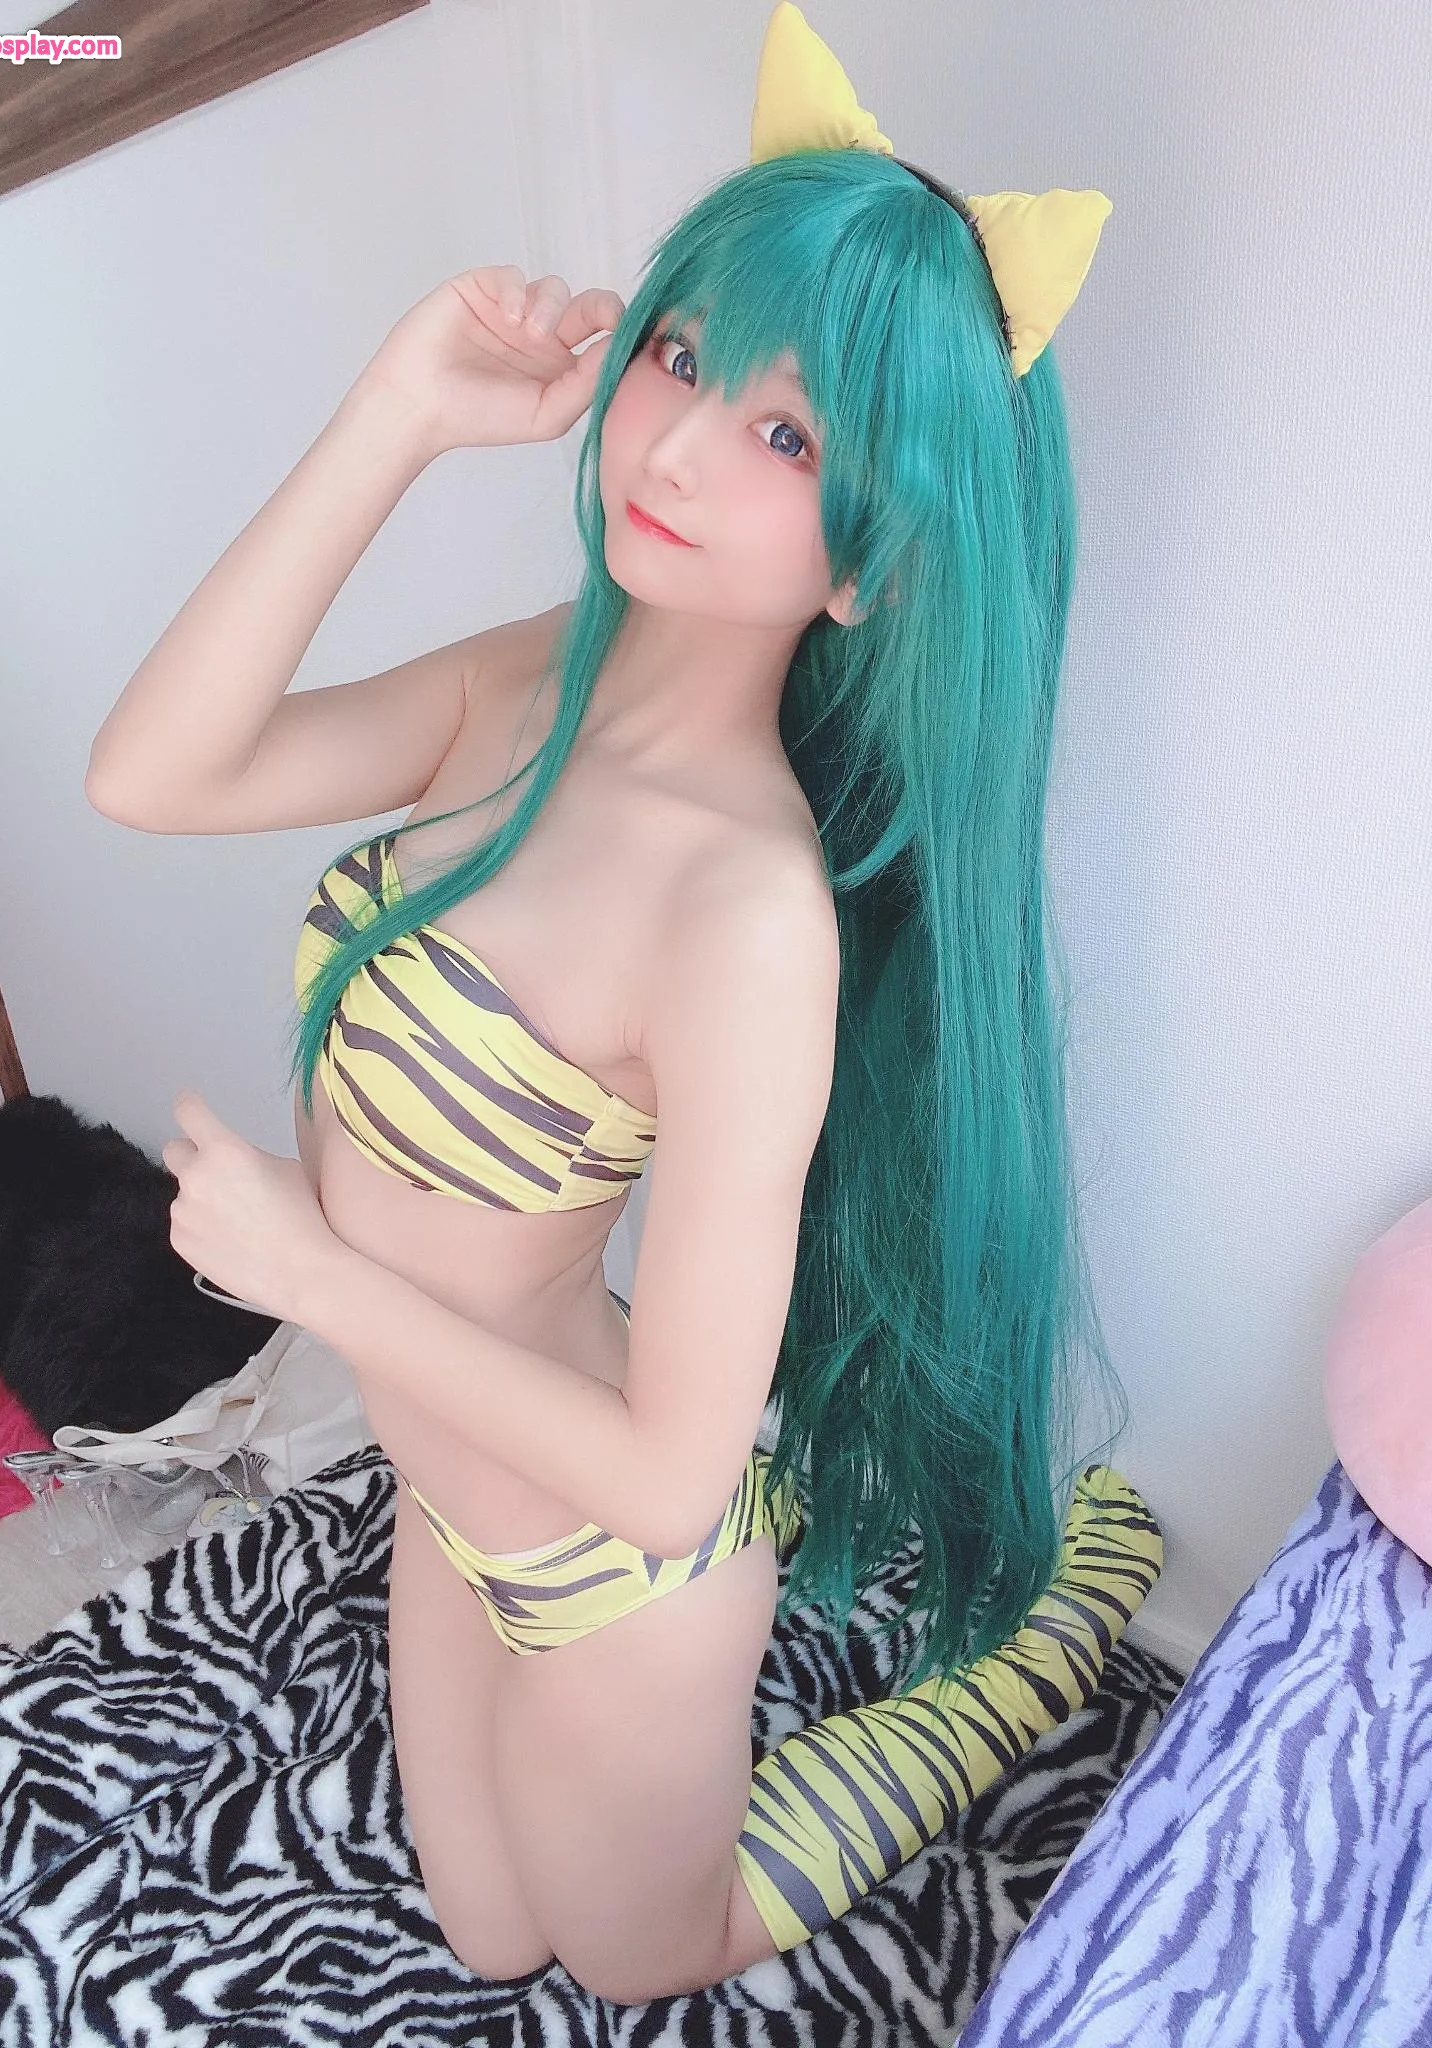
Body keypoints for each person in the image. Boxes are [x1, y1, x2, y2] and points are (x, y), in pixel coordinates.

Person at [82, 0, 1164, 2010]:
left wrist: (315, 1275)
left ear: (873, 566)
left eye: (787, 437)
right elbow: (155, 772)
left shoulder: (745, 914)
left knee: (639, 1959)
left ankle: (1033, 1647)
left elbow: (667, 1476)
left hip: (614, 1569)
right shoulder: (528, 681)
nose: (672, 442)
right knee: (486, 1938)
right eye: (680, 353)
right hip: (445, 1483)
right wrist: (401, 408)